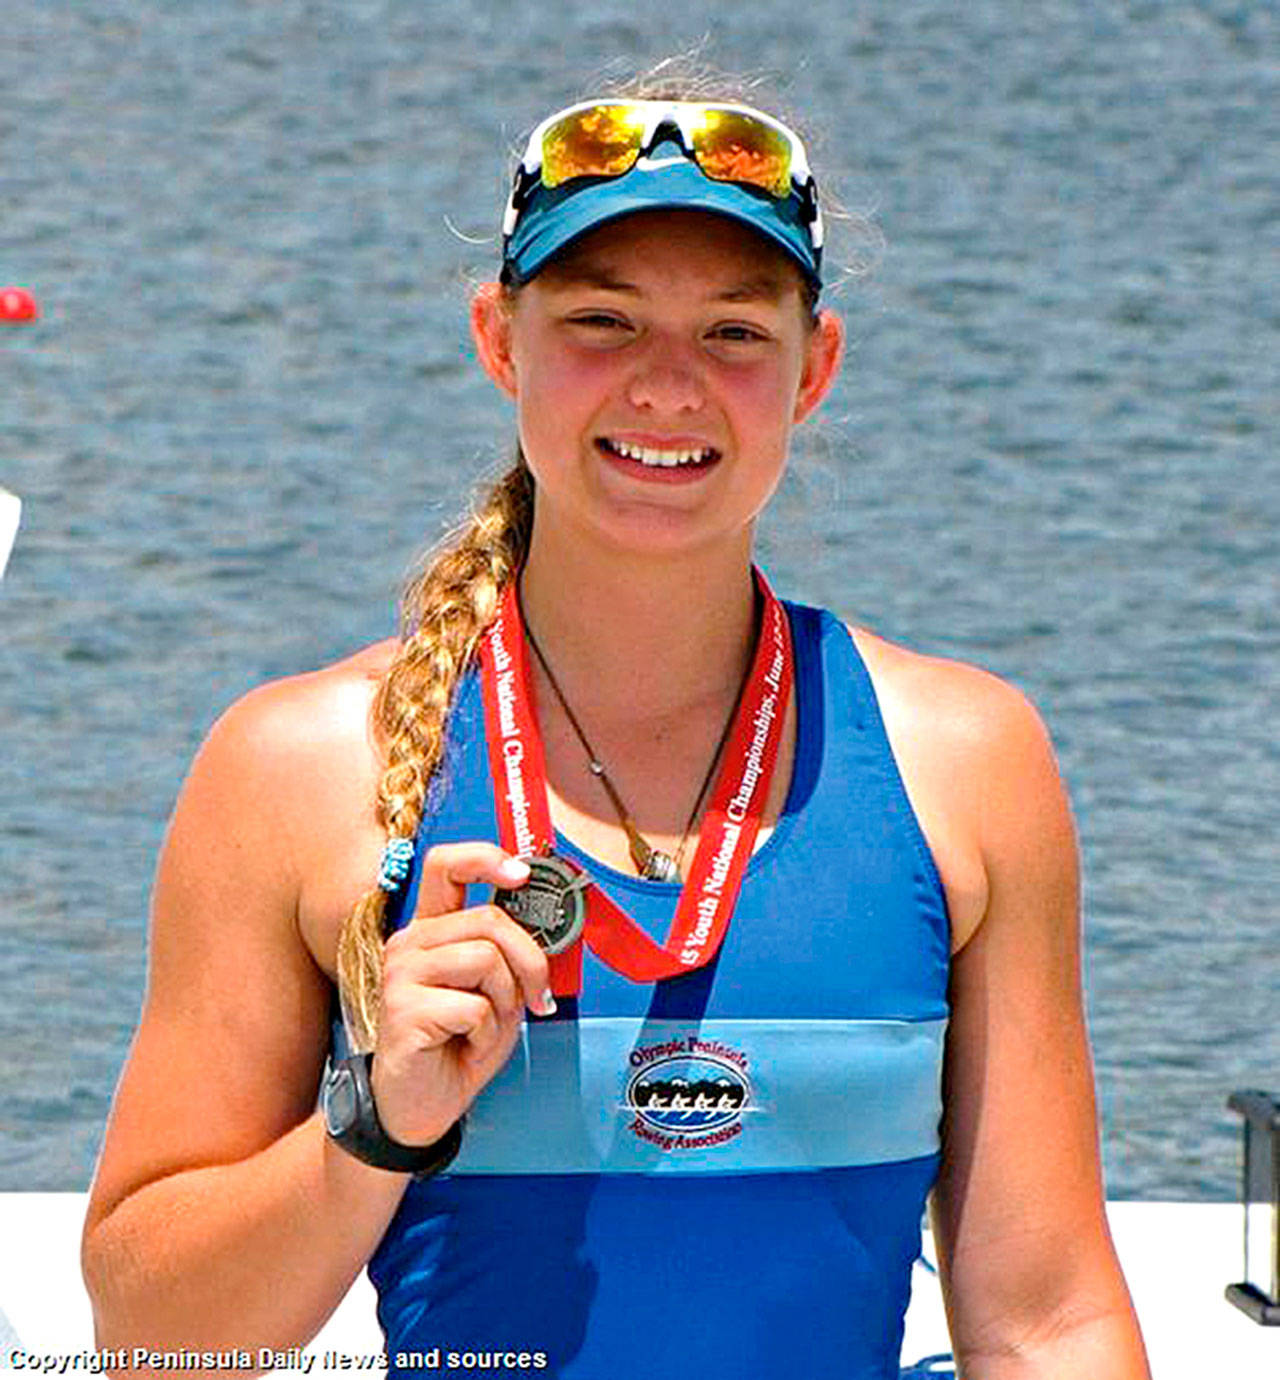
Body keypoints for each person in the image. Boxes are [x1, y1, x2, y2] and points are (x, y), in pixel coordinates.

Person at [81, 72, 1151, 1379]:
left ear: (814, 369)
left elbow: (1048, 1321)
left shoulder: (964, 762)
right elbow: (147, 1341)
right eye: (603, 320)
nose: (666, 387)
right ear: (498, 340)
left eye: (734, 334)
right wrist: (375, 1124)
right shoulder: (304, 772)